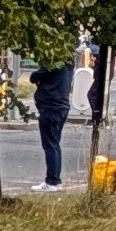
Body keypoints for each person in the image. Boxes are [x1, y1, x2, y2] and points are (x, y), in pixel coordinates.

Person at [31, 51, 78, 190]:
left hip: (50, 107)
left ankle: (51, 181)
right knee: (55, 144)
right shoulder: (68, 64)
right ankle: (55, 180)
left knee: (50, 145)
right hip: (62, 106)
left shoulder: (54, 64)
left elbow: (34, 76)